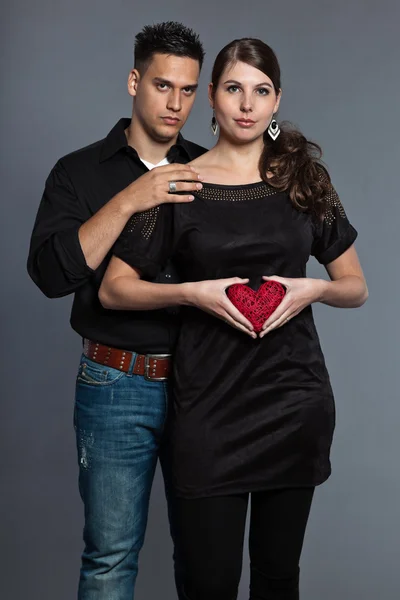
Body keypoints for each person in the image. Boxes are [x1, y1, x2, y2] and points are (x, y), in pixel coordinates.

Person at [100, 37, 368, 600]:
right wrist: (194, 293)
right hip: (209, 410)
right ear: (214, 102)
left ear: (276, 102)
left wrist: (310, 289)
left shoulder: (305, 181)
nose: (247, 104)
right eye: (233, 89)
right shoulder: (179, 184)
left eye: (261, 91)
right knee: (208, 584)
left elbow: (355, 287)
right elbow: (114, 288)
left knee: (277, 579)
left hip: (293, 403)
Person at [25, 21, 235, 600]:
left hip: (203, 381)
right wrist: (129, 201)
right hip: (115, 380)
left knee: (206, 562)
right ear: (133, 81)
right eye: (163, 86)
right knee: (111, 559)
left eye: (190, 90)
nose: (176, 104)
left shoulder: (210, 170)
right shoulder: (79, 172)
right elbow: (49, 274)